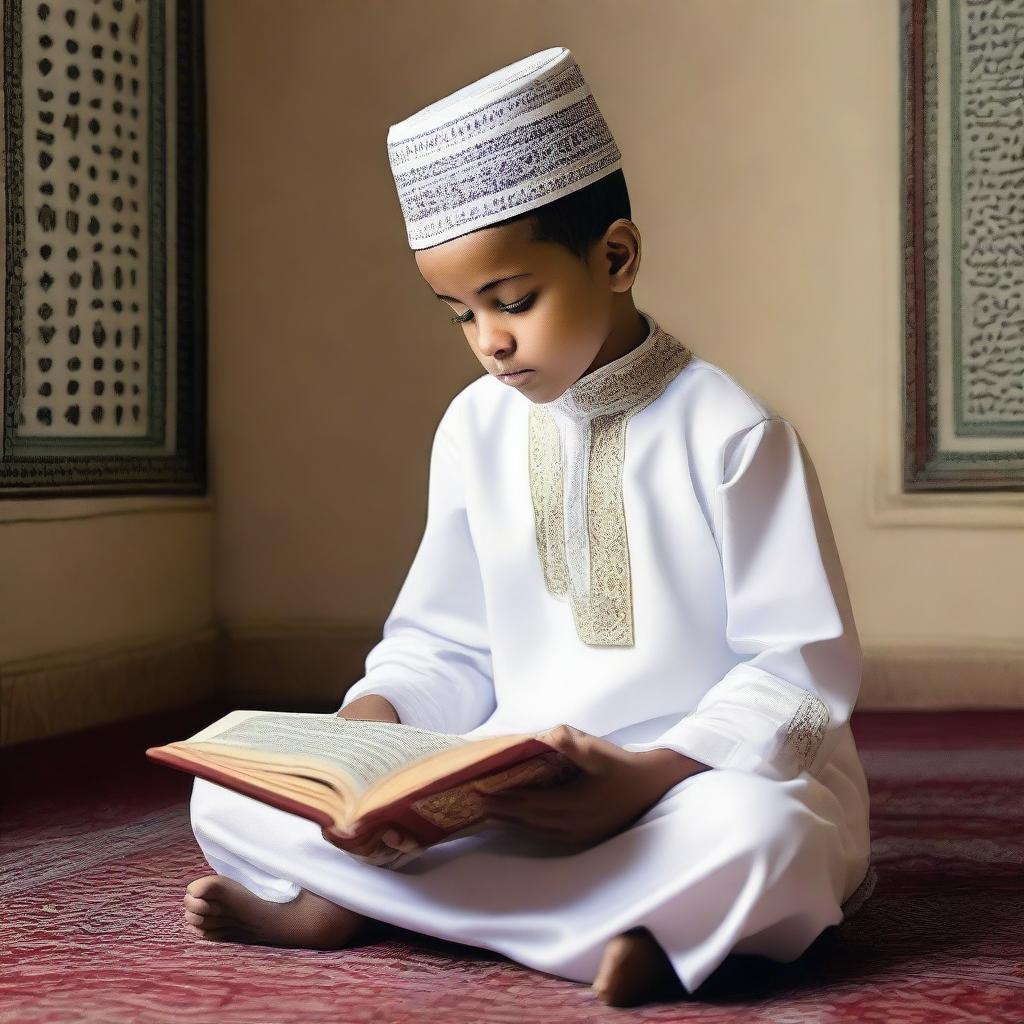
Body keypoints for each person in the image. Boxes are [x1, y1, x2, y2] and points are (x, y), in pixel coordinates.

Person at [184, 46, 875, 1008]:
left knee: (770, 842)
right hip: (507, 792)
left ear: (617, 256)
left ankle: (378, 903)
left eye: (512, 302)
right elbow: (442, 643)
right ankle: (639, 936)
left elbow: (798, 669)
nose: (489, 343)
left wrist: (641, 779)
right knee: (227, 786)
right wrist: (356, 749)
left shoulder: (734, 432)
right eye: (459, 315)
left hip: (688, 786)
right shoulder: (474, 427)